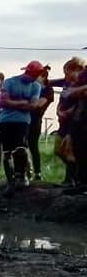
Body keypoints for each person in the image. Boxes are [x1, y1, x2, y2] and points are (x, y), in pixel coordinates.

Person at [0, 61, 44, 187]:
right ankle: (10, 181)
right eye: (34, 75)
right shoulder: (10, 82)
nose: (35, 78)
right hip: (6, 120)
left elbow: (34, 105)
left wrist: (14, 102)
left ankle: (21, 174)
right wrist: (23, 103)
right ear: (28, 72)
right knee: (7, 151)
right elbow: (3, 102)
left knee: (21, 148)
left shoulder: (36, 86)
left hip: (23, 121)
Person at [57, 58, 87, 187]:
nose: (67, 75)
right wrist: (59, 111)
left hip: (75, 120)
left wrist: (69, 112)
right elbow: (61, 100)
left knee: (73, 150)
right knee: (61, 149)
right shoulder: (67, 84)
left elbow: (80, 102)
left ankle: (75, 179)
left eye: (68, 71)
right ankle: (75, 179)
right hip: (68, 121)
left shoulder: (78, 84)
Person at [29, 67, 54, 181]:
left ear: (43, 77)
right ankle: (25, 171)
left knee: (33, 146)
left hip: (35, 119)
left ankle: (37, 172)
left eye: (36, 76)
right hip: (24, 118)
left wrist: (21, 103)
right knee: (21, 146)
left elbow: (38, 104)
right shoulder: (31, 86)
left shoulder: (47, 89)